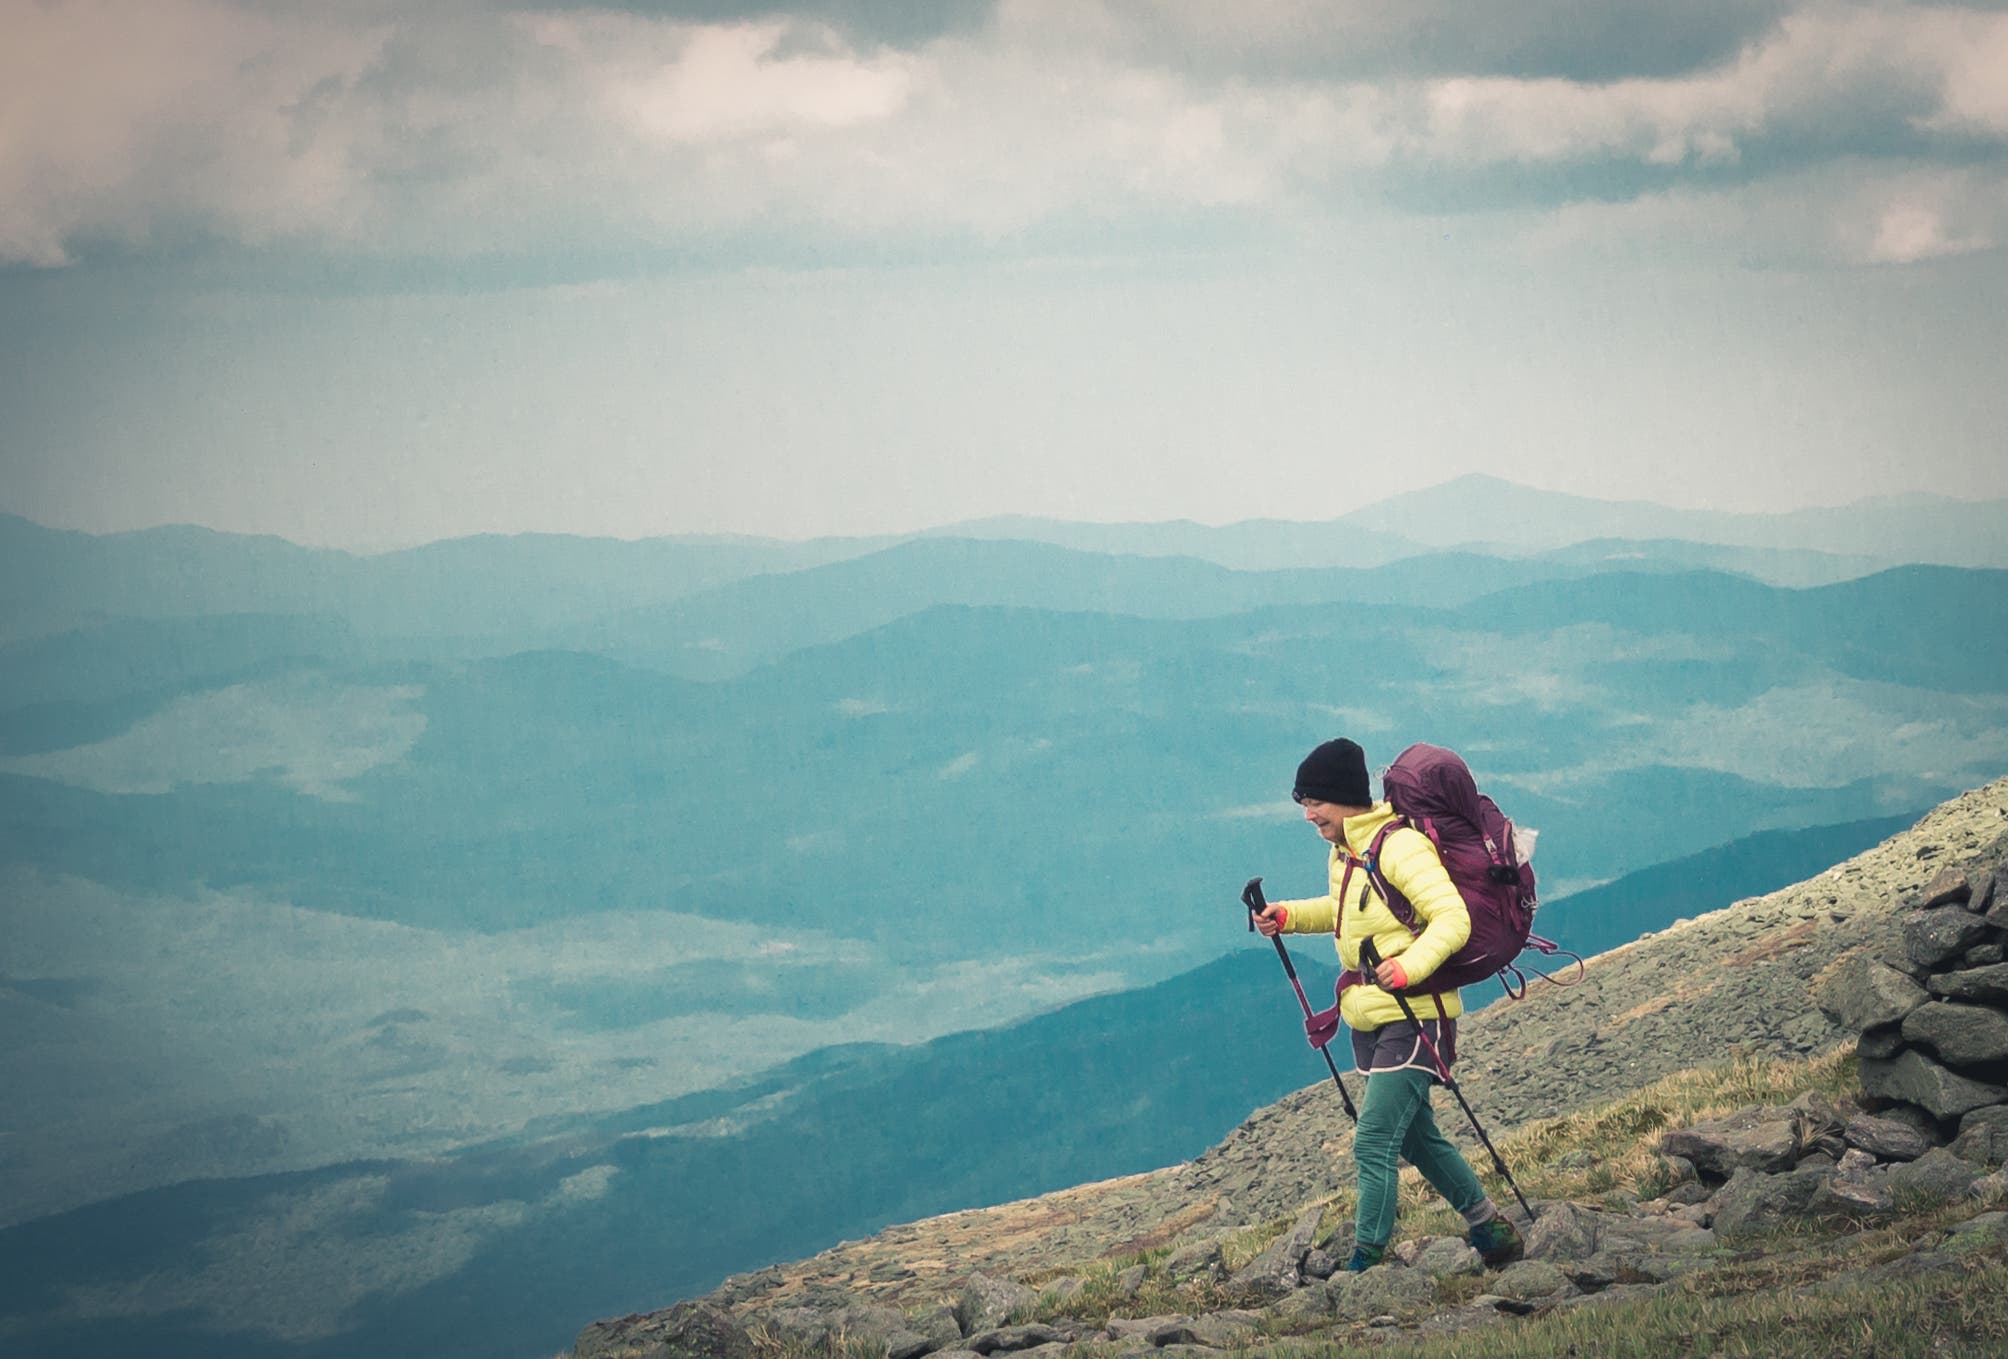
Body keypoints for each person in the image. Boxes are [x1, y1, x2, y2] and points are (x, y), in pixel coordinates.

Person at [1251, 737, 1524, 1271]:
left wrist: (1407, 968)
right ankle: (1492, 1230)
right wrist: (1287, 916)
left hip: (1417, 1012)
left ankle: (1365, 1262)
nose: (1308, 815)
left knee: (1373, 1139)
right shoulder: (1348, 851)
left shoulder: (1398, 847)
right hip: (1371, 1015)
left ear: (1343, 797)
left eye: (1314, 803)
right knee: (1419, 1139)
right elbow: (1346, 909)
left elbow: (1452, 919)